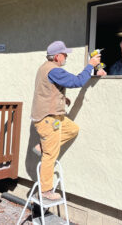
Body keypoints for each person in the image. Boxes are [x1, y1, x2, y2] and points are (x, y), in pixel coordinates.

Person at [31, 41, 104, 200]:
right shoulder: (55, 70)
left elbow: (48, 89)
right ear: (57, 56)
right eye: (64, 54)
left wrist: (61, 98)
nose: (66, 57)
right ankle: (45, 191)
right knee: (50, 155)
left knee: (72, 129)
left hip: (52, 117)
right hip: (48, 120)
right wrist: (90, 65)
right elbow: (76, 82)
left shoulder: (45, 67)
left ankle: (41, 146)